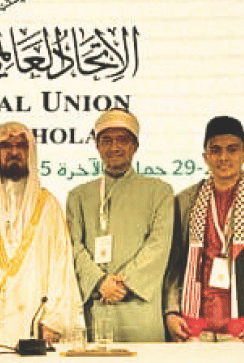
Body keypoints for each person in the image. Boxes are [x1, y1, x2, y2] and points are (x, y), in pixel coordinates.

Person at [0, 121, 80, 345]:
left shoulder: (48, 205)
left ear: (31, 153)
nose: (14, 152)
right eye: (6, 146)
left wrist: (55, 319)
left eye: (21, 146)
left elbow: (62, 265)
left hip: (35, 327)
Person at [164, 116, 244, 342]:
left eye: (232, 149)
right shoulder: (185, 200)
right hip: (193, 327)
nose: (223, 157)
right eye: (215, 150)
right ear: (205, 157)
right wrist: (171, 312)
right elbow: (174, 264)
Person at [66, 108, 173, 342]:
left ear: (135, 146)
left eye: (122, 140)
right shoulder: (79, 196)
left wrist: (123, 283)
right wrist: (99, 282)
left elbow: (159, 245)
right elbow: (73, 245)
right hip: (96, 305)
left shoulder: (159, 191)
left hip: (139, 308)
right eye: (106, 140)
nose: (114, 147)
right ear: (97, 146)